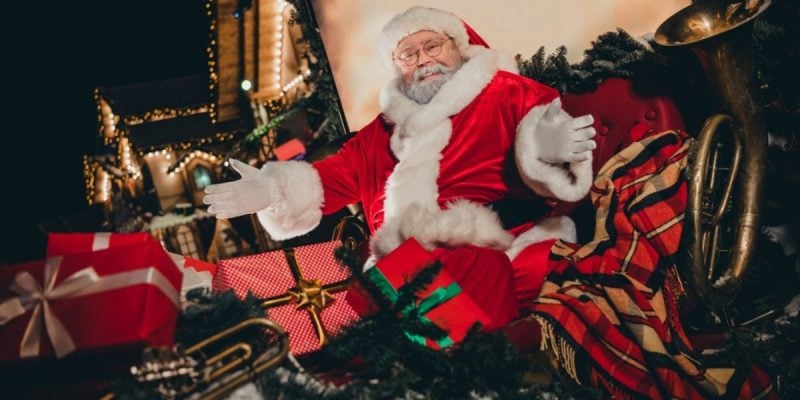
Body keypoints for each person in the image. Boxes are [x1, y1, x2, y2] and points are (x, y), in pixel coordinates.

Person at [203, 6, 596, 329]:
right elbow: (333, 176)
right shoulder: (380, 133)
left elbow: (547, 132)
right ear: (397, 66)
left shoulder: (504, 91)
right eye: (409, 54)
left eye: (433, 45)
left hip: (506, 246)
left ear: (458, 46)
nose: (424, 59)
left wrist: (545, 151)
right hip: (400, 272)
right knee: (339, 313)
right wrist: (274, 190)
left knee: (468, 282)